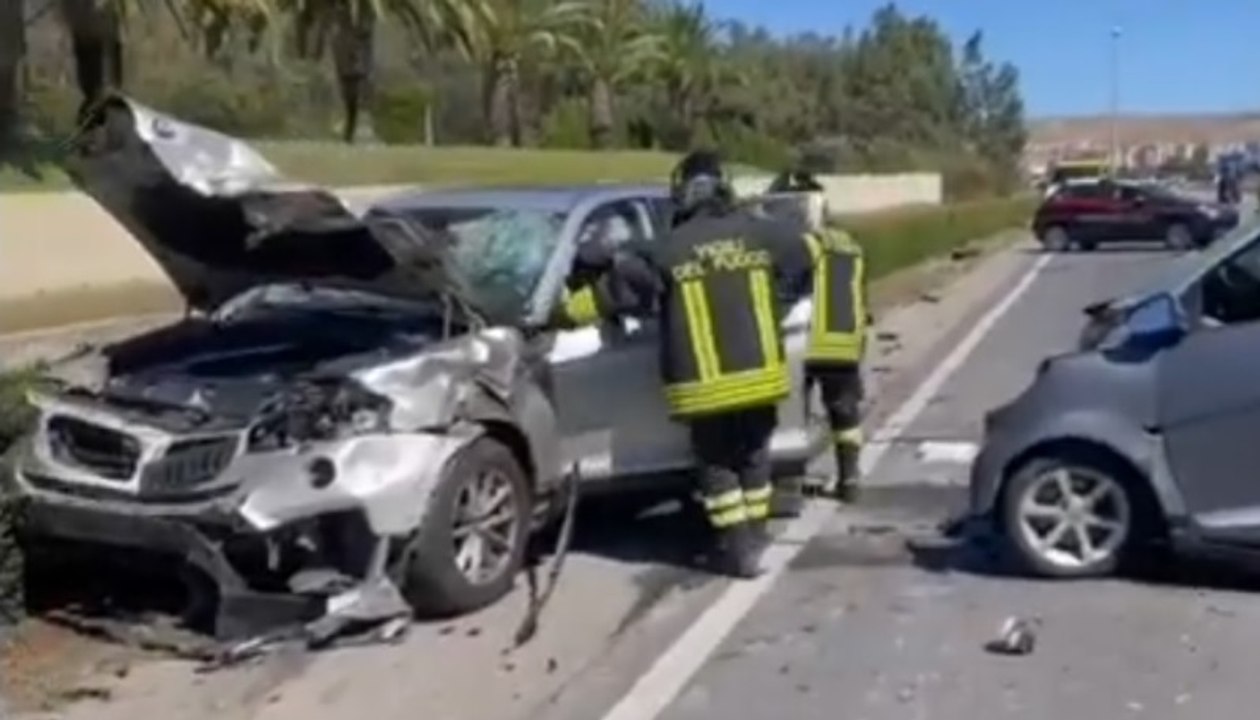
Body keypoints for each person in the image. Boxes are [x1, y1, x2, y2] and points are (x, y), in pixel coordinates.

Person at [561, 150, 811, 578]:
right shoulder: (763, 234)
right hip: (761, 377)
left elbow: (613, 296)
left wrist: (560, 312)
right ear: (723, 187)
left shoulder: (665, 249)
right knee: (754, 456)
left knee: (716, 466)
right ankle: (752, 538)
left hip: (702, 387)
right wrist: (779, 301)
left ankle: (736, 550)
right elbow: (806, 259)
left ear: (682, 195)